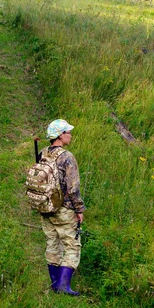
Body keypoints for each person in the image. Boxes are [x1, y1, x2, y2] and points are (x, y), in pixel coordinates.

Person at [40, 119, 85, 296]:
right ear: (60, 135)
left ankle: (54, 284)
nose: (70, 135)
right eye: (68, 132)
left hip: (45, 207)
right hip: (64, 208)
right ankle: (63, 285)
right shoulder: (67, 157)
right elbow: (73, 187)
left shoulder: (43, 153)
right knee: (72, 245)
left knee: (52, 243)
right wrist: (79, 209)